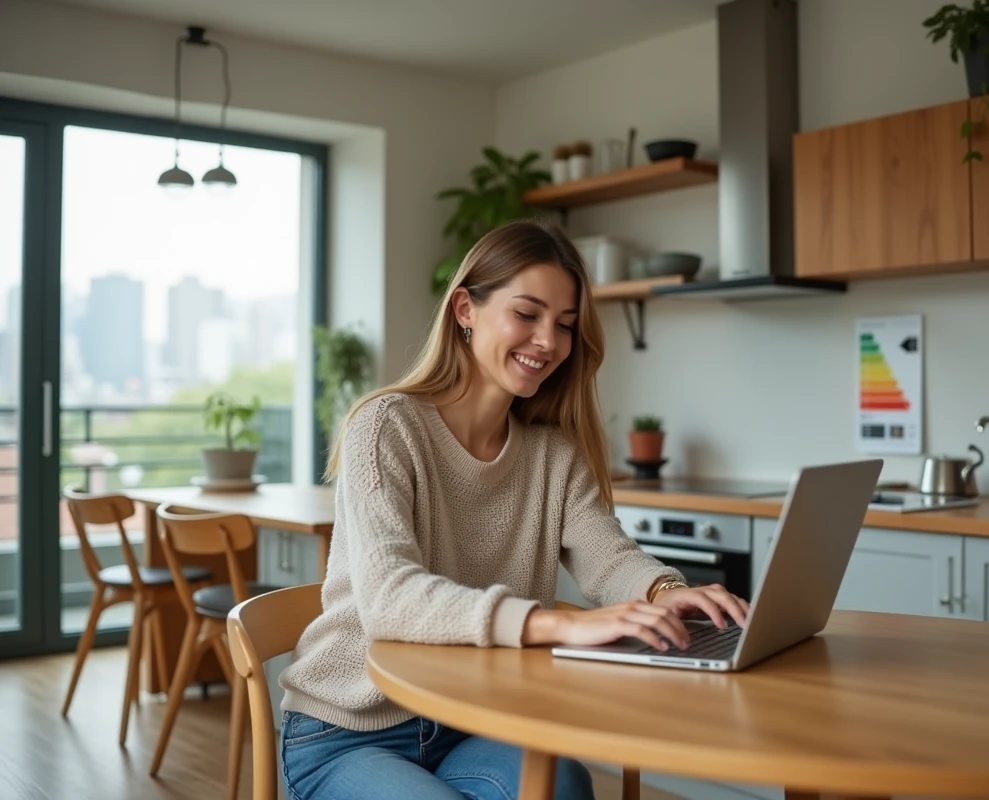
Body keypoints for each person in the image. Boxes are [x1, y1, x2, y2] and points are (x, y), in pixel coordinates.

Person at [277, 219, 750, 800]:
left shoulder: (553, 452)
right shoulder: (387, 426)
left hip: (474, 721)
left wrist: (661, 591)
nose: (548, 341)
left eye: (565, 325)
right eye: (527, 315)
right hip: (348, 731)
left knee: (564, 785)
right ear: (465, 310)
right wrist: (559, 623)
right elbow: (389, 599)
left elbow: (608, 558)